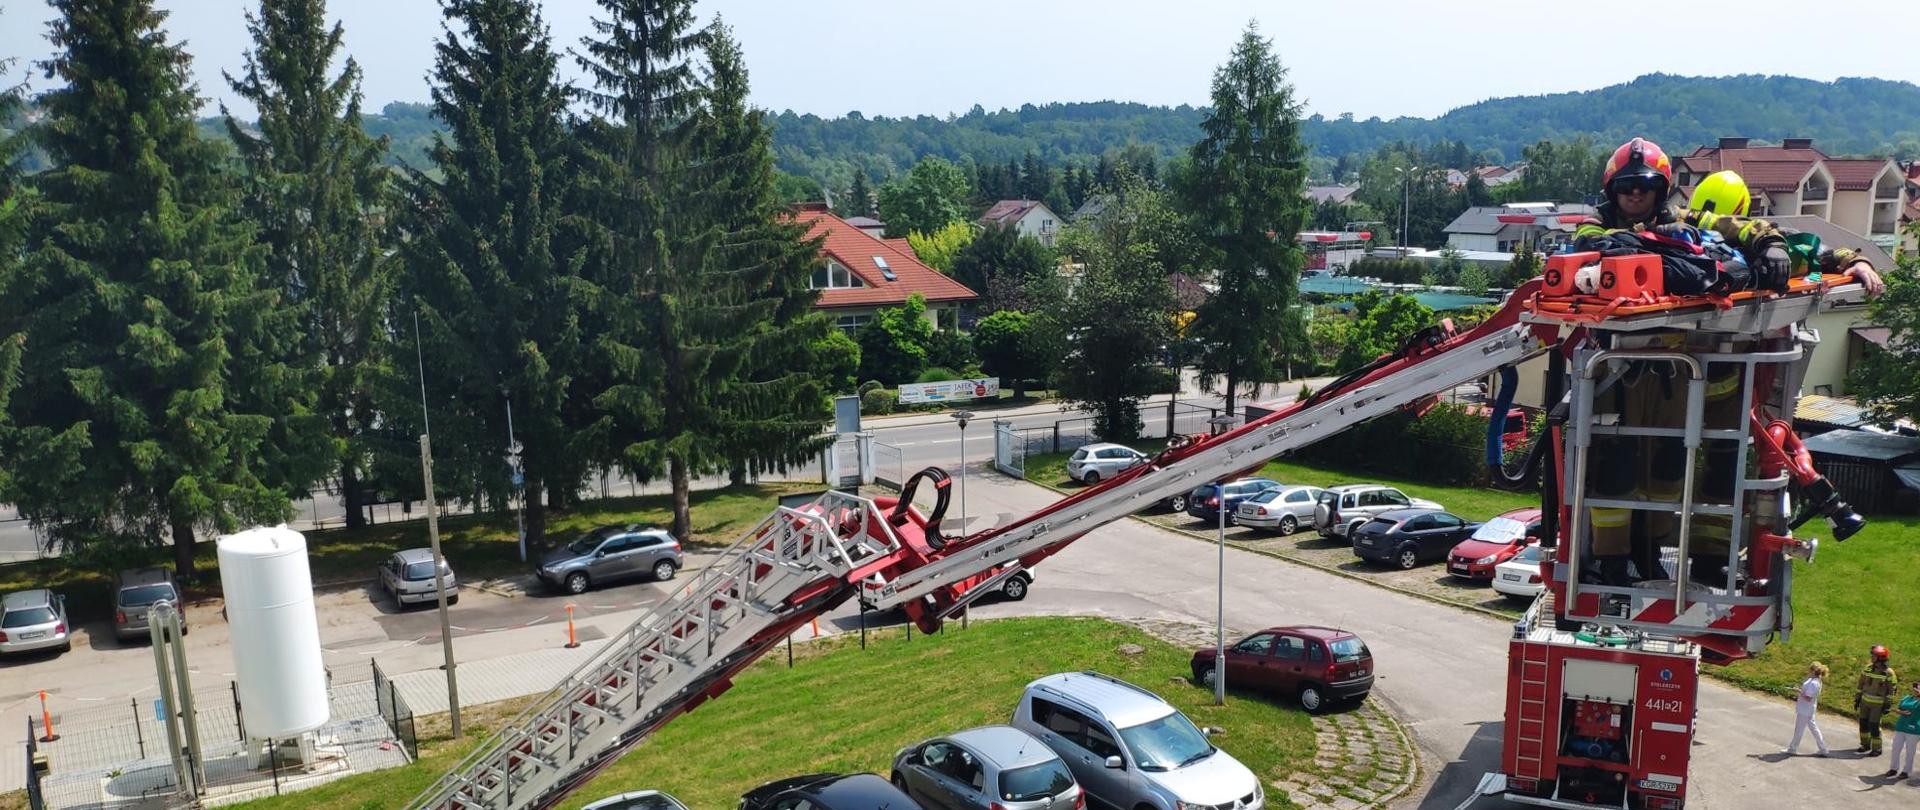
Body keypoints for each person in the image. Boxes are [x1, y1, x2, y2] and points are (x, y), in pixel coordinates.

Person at [1785, 662, 1832, 757]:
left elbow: (1808, 698)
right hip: (1807, 709)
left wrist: (1798, 691)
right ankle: (1823, 749)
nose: (1808, 671)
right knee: (1814, 729)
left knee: (1799, 730)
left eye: (1809, 670)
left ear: (1813, 671)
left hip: (1805, 710)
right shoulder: (1813, 680)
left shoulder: (1814, 683)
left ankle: (1792, 749)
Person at [1860, 645, 1898, 755]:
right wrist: (1857, 698)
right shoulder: (1867, 668)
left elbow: (1892, 690)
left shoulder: (1888, 673)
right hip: (1865, 702)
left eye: (1874, 656)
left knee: (1874, 726)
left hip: (1877, 705)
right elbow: (1861, 684)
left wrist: (1887, 704)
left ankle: (1877, 748)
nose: (1871, 657)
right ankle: (1865, 744)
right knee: (1863, 724)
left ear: (1881, 658)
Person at [1888, 680, 1919, 780]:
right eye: (1915, 688)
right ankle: (1893, 769)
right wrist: (1901, 712)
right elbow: (1898, 709)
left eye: (1918, 689)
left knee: (1910, 752)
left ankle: (1906, 771)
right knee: (1895, 748)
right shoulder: (1907, 698)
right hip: (1900, 727)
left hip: (1914, 730)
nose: (1916, 690)